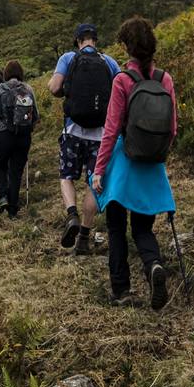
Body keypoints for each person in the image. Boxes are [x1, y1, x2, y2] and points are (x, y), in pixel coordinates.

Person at [92, 17, 179, 309]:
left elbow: (111, 129)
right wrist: (155, 153)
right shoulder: (165, 79)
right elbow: (173, 129)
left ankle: (122, 290)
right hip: (151, 165)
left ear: (126, 47)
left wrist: (98, 171)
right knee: (143, 228)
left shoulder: (122, 80)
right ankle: (153, 265)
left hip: (123, 163)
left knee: (116, 228)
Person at [49, 23, 121, 255]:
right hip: (101, 135)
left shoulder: (69, 58)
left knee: (66, 176)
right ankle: (84, 237)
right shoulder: (109, 62)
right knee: (94, 182)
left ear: (78, 41)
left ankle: (72, 215)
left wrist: (67, 90)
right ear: (95, 40)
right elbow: (120, 91)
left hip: (73, 130)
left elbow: (53, 88)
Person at [0, 61, 38, 217]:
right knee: (16, 171)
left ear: (6, 74)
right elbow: (35, 115)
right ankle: (13, 209)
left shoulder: (0, 89)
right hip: (23, 136)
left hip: (4, 134)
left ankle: (3, 196)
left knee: (0, 165)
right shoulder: (28, 88)